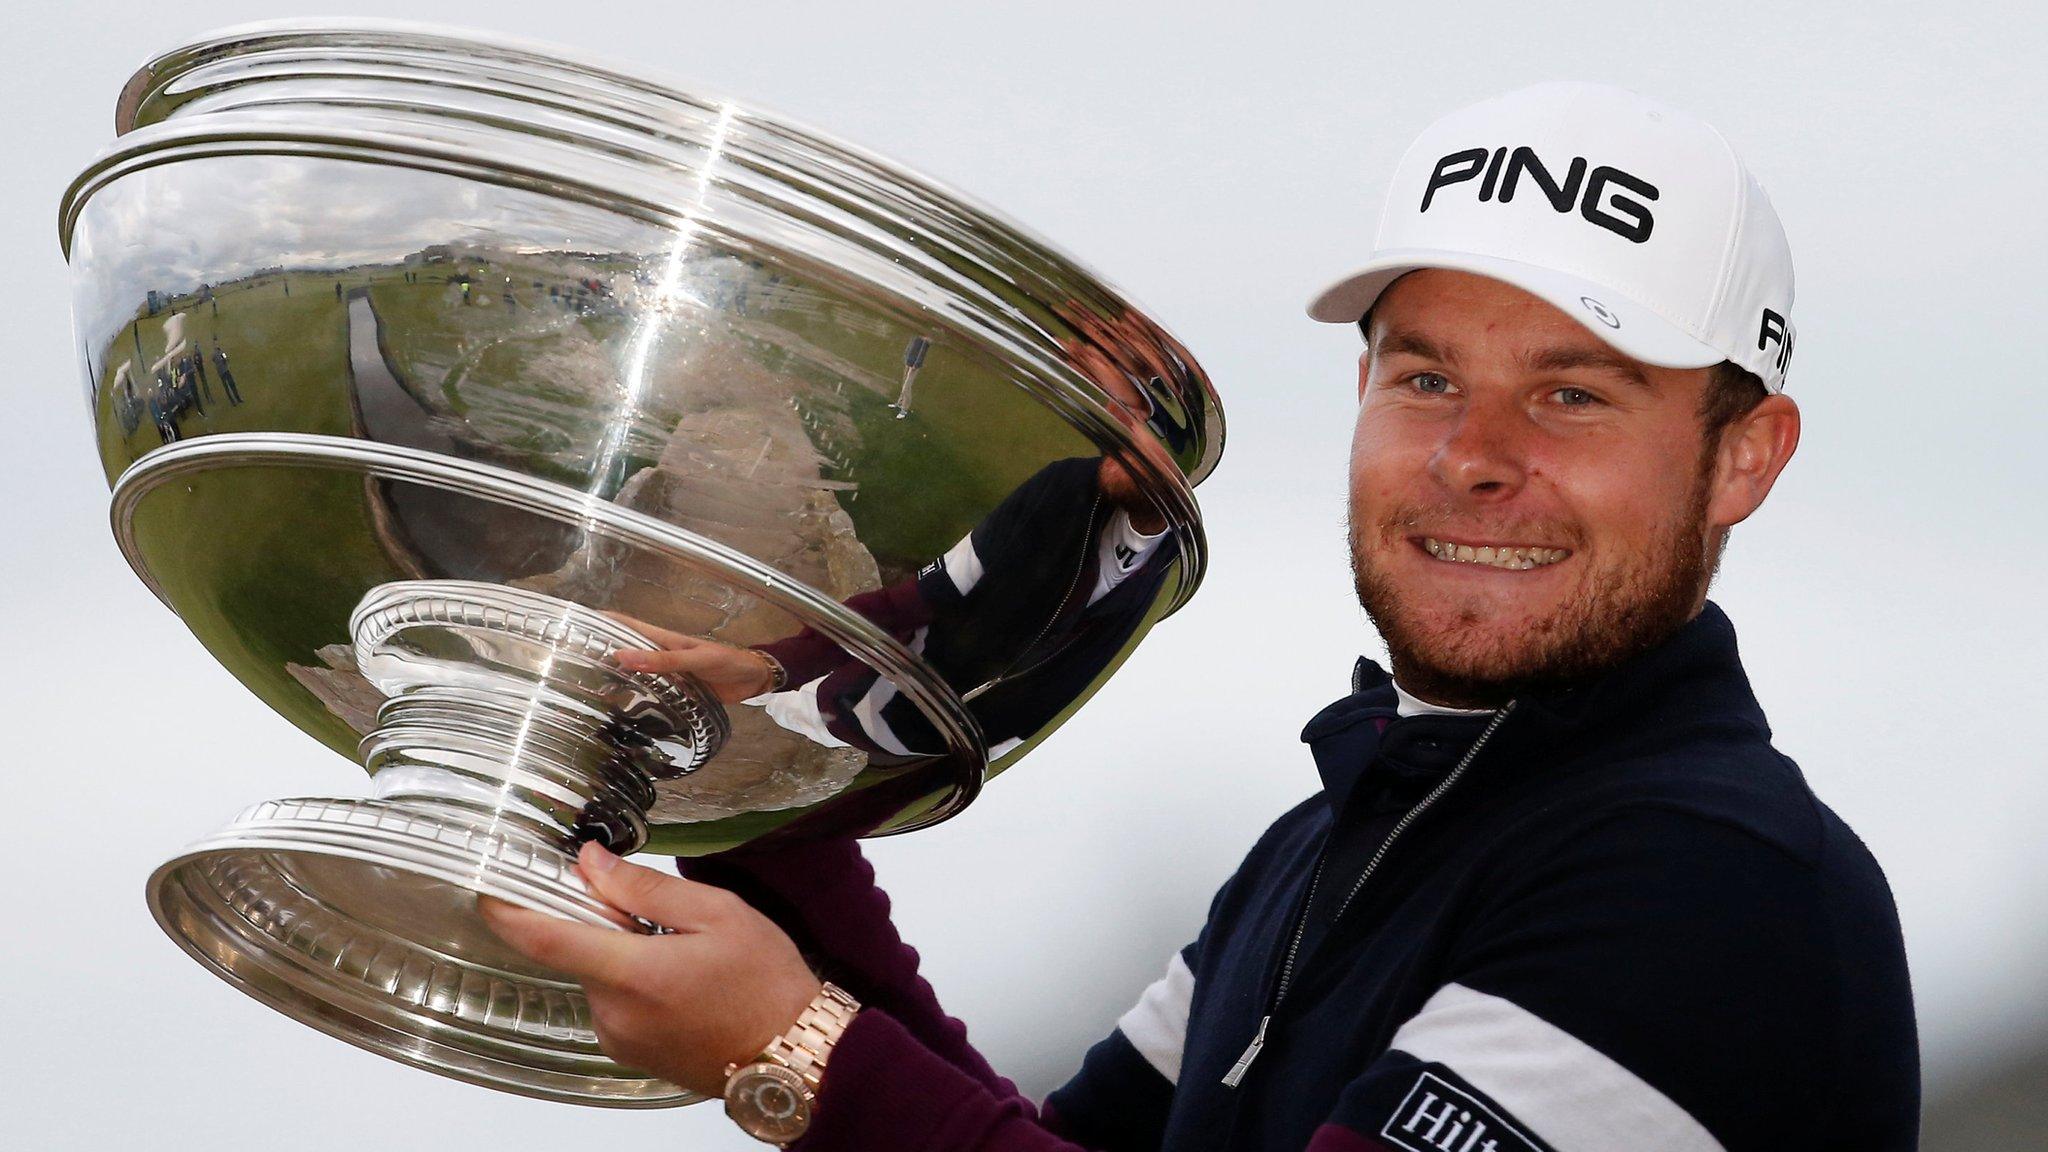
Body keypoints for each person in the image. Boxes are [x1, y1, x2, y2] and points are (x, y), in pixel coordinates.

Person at [480, 82, 1917, 1150]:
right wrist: (761, 808)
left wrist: (793, 1049)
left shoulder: (1717, 890)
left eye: (1573, 393)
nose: (1475, 454)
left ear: (1744, 457)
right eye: (1424, 378)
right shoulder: (1323, 852)